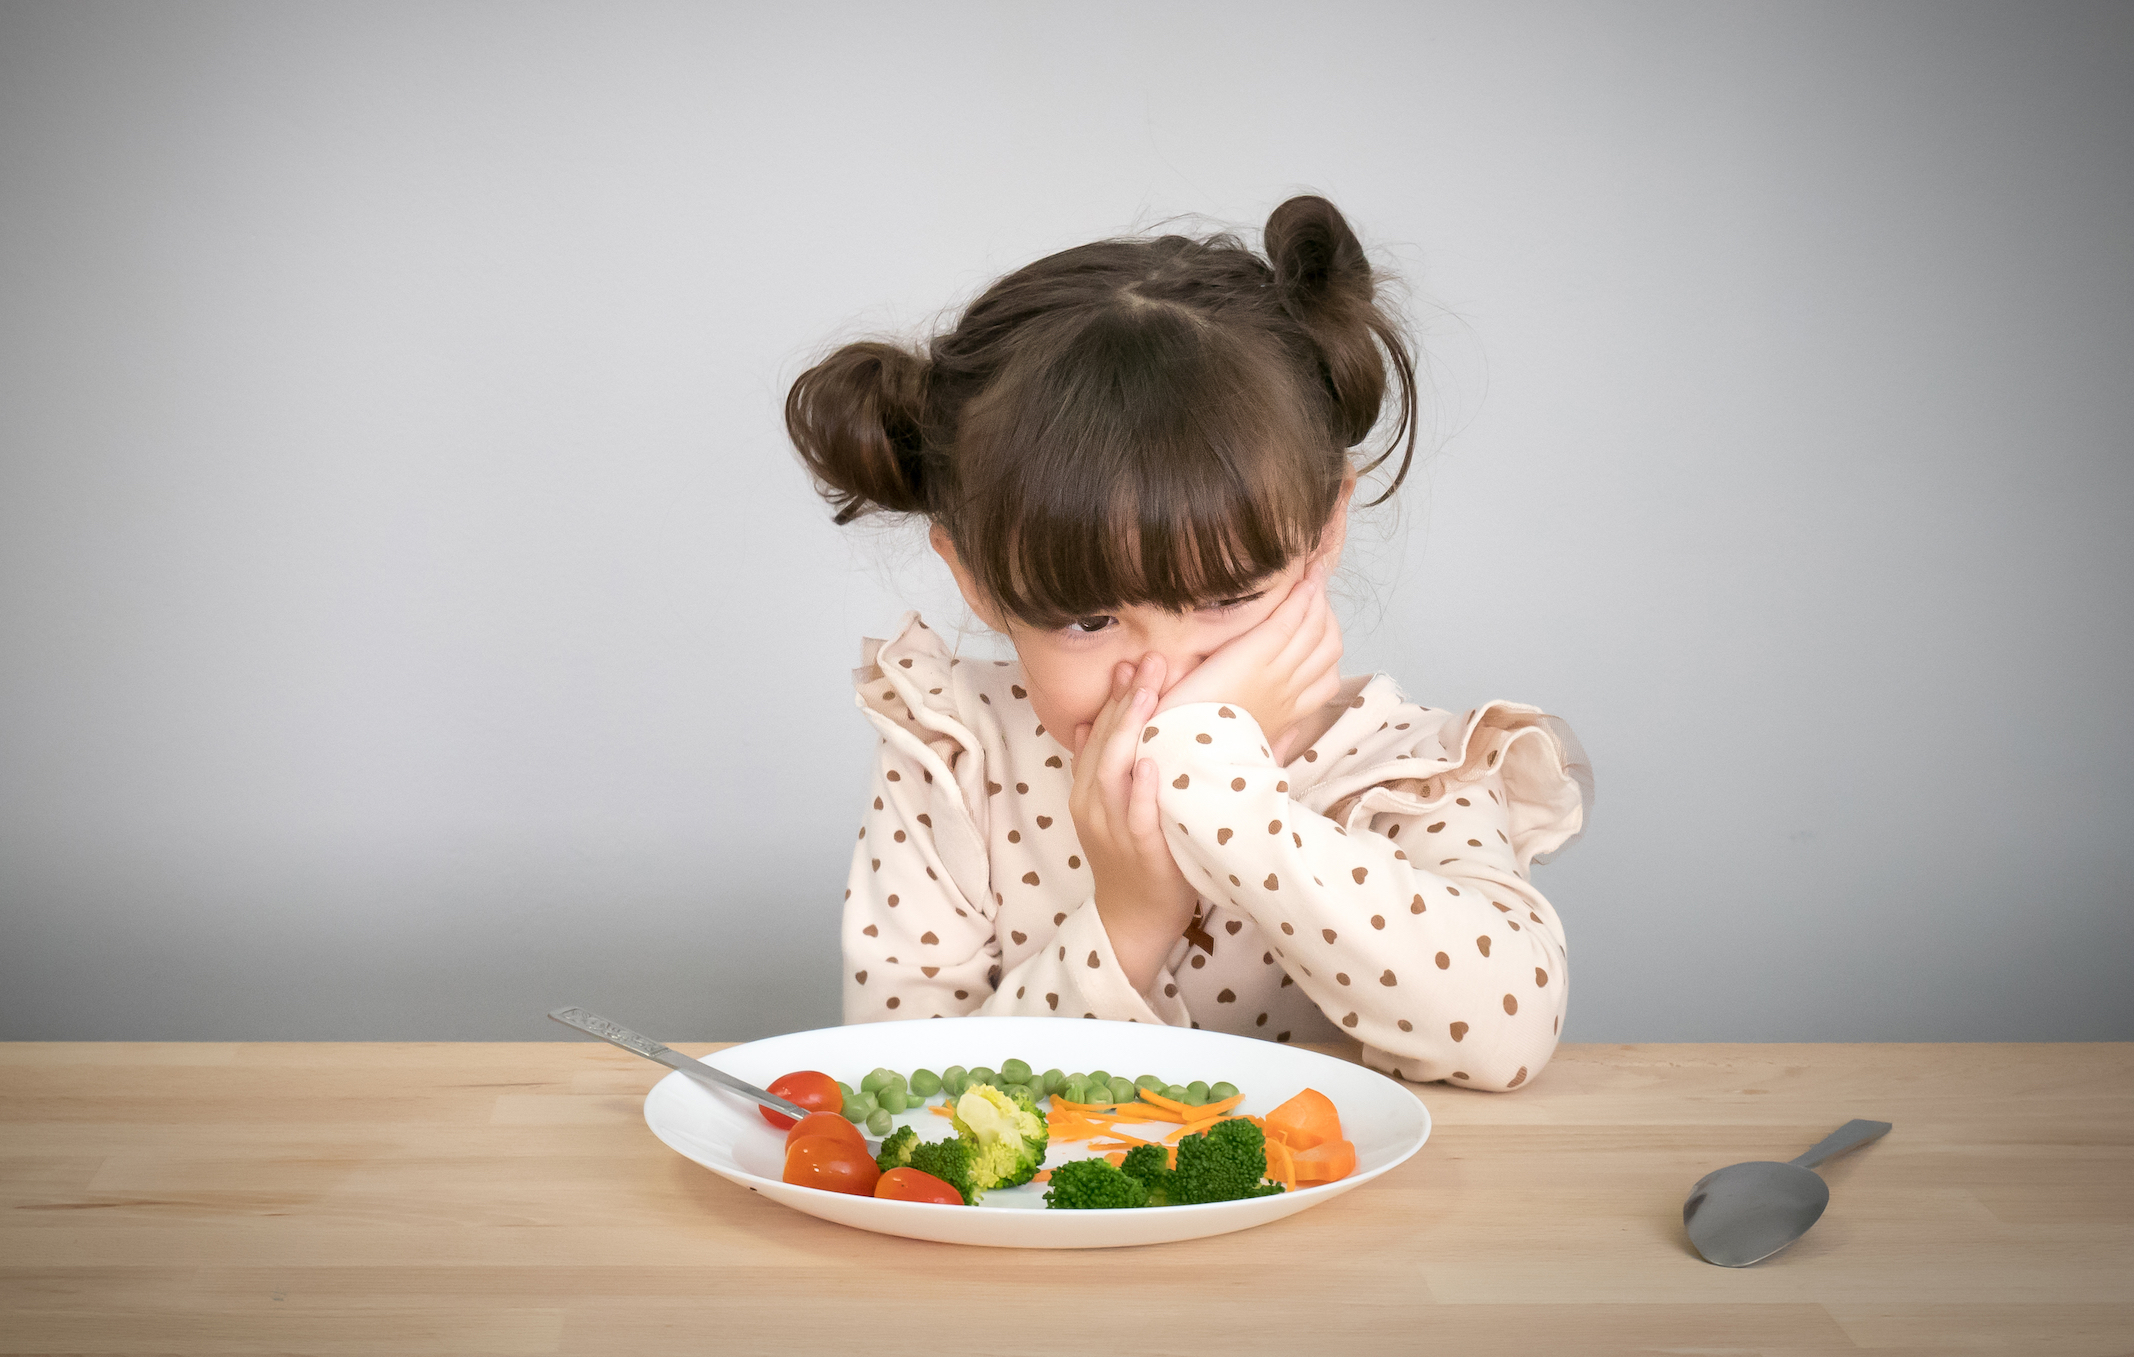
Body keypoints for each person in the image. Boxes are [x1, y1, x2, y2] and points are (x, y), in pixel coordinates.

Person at [784, 195, 1592, 1092]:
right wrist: (1131, 919)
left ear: (1324, 530)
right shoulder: (955, 758)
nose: (1164, 679)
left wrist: (1227, 798)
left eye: (1227, 600)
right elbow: (915, 1096)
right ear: (974, 577)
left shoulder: (1399, 772)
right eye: (1089, 620)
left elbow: (1503, 1033)